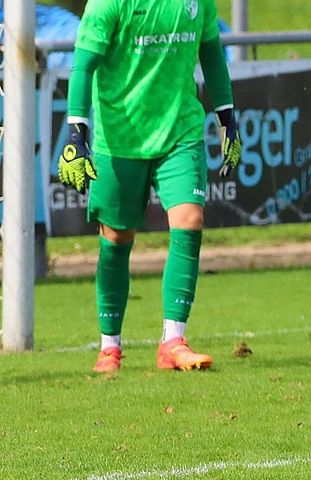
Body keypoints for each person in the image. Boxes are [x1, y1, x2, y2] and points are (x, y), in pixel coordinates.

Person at [57, 0, 241, 373]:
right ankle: (110, 346)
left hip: (181, 132)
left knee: (189, 221)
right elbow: (84, 64)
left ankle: (173, 340)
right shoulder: (110, 3)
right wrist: (77, 131)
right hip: (119, 138)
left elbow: (212, 55)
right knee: (117, 238)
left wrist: (227, 118)